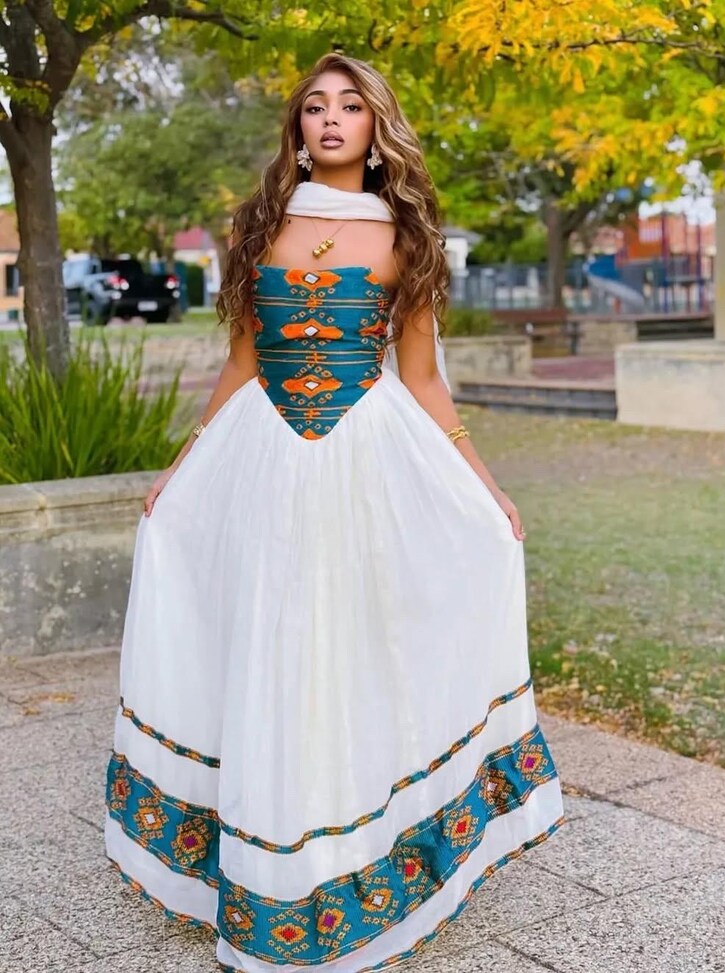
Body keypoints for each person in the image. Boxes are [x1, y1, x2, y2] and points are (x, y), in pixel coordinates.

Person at [104, 52, 565, 973]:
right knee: (271, 641)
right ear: (296, 129)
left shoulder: (407, 234)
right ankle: (268, 854)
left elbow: (425, 379)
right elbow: (239, 365)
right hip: (262, 457)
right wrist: (183, 466)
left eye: (350, 106)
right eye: (314, 106)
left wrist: (483, 482)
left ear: (374, 126)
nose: (330, 119)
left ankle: (355, 847)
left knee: (352, 646)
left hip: (367, 457)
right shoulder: (258, 223)